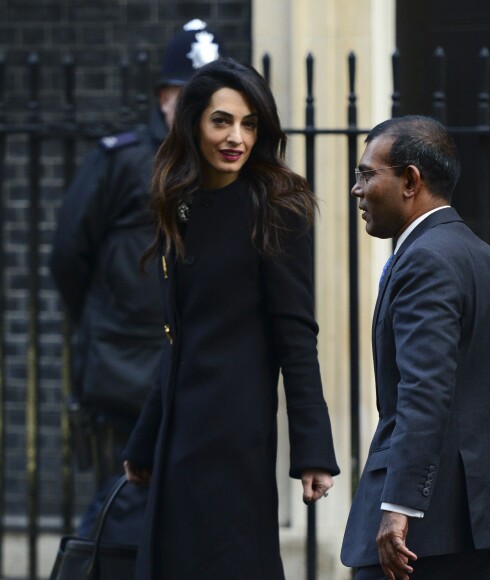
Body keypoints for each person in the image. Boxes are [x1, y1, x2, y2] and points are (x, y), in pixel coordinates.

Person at [122, 58, 340, 579]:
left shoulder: (276, 206)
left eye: (249, 124)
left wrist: (313, 449)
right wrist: (146, 437)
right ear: (194, 122)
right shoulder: (181, 204)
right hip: (179, 428)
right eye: (222, 121)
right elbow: (180, 335)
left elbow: (296, 334)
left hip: (234, 432)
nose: (236, 137)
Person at [340, 115, 490, 579]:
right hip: (487, 520)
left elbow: (425, 391)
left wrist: (398, 508)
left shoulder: (425, 261)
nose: (357, 189)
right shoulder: (484, 257)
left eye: (366, 174)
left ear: (411, 180)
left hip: (427, 533)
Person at [49, 19, 222, 540]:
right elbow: (67, 255)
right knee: (121, 508)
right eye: (188, 95)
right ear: (165, 97)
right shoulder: (120, 160)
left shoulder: (229, 171)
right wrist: (104, 320)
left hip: (198, 373)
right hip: (125, 371)